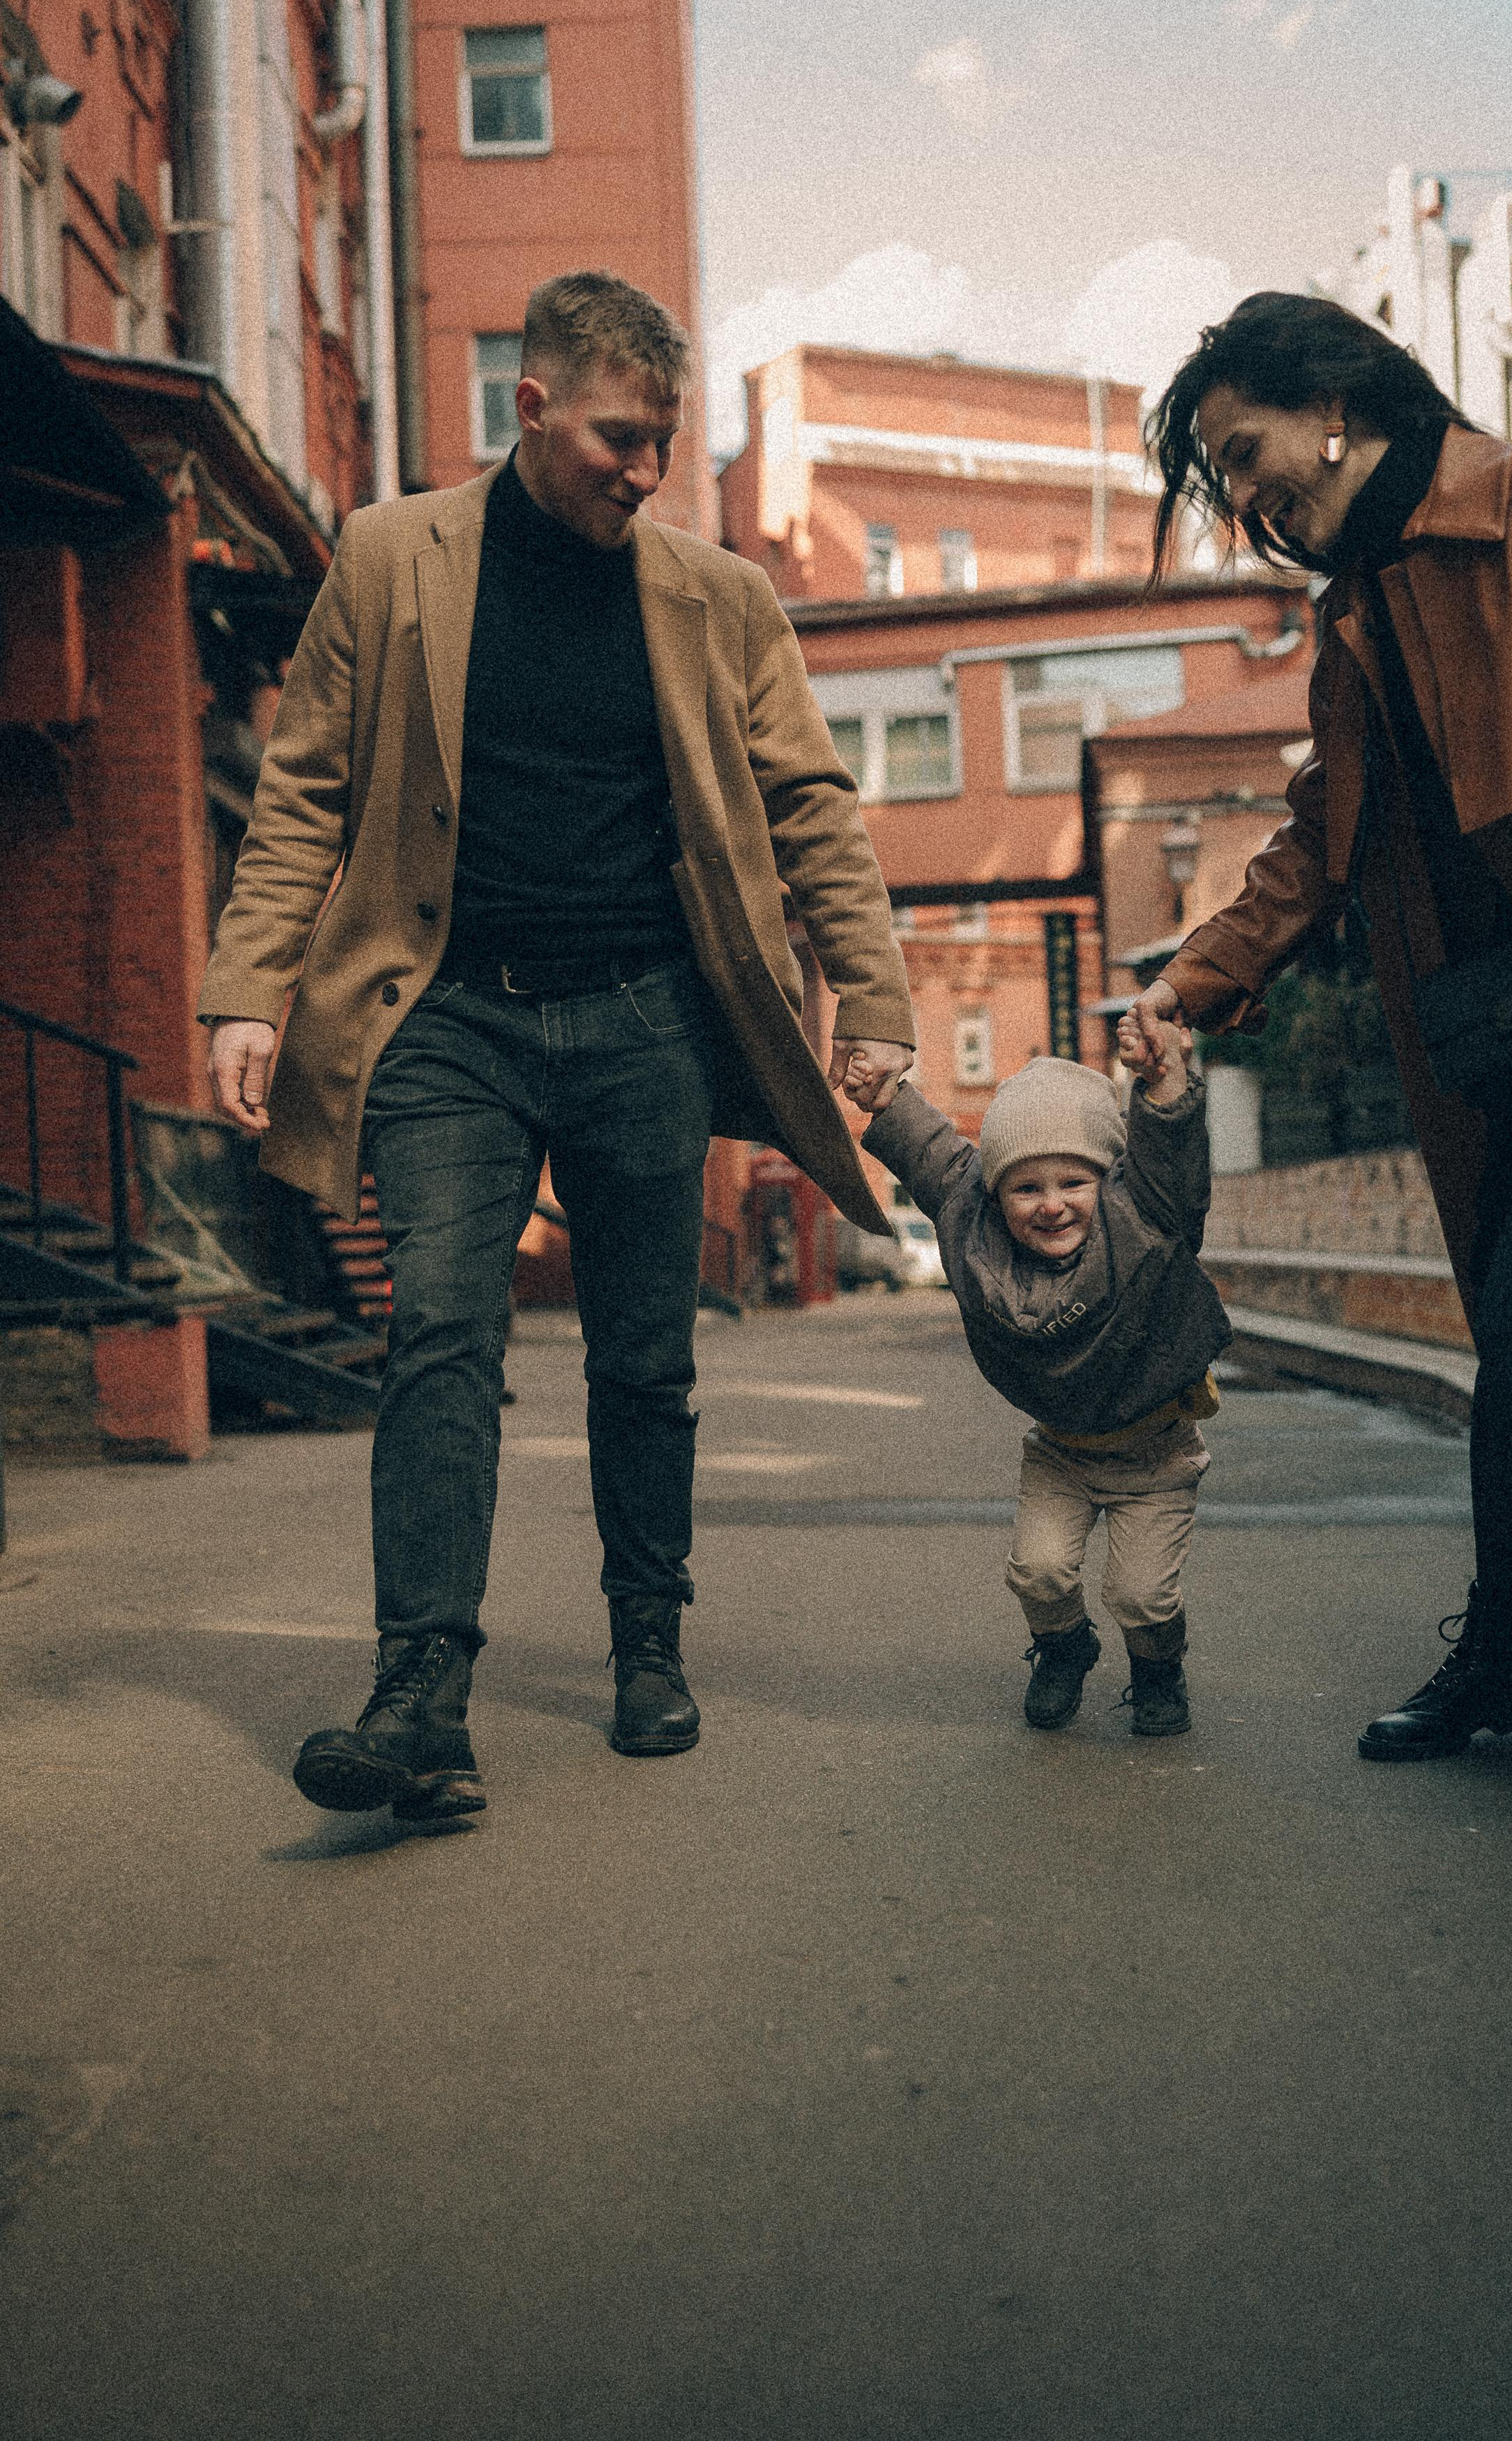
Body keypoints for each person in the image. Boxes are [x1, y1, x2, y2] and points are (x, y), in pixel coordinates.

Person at [199, 272, 914, 1820]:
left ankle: (646, 1643)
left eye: (661, 441)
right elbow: (305, 791)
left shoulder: (716, 598)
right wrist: (245, 989)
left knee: (641, 1357)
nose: (642, 471)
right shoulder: (394, 559)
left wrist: (872, 995)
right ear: (528, 409)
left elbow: (809, 809)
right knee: (441, 1336)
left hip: (646, 1016)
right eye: (614, 437)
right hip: (444, 1011)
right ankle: (419, 1696)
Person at [1126, 289, 1512, 1900]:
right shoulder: (1358, 617)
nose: (1246, 496)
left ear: (1333, 401)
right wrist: (1187, 986)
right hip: (1502, 1047)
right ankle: (1495, 1658)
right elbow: (1318, 840)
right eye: (1223, 476)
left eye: (1245, 451)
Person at [861, 1018, 1230, 1736]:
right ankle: (1064, 1648)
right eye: (1025, 1186)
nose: (1051, 1202)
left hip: (1155, 1450)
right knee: (1038, 1572)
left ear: (1108, 1178)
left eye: (1073, 1180)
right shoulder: (976, 1223)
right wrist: (884, 1095)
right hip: (1060, 1450)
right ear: (995, 1197)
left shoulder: (1146, 1216)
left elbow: (1171, 1159)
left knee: (1141, 1596)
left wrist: (1165, 1086)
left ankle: (1157, 1669)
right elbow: (938, 1157)